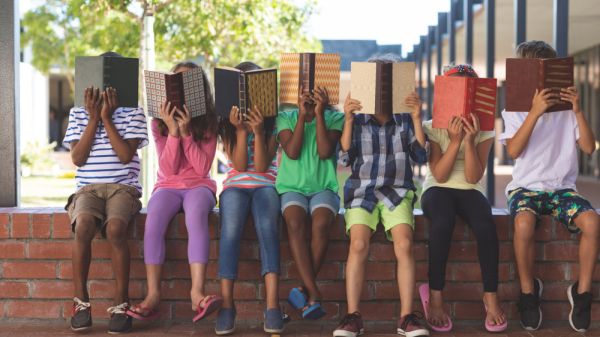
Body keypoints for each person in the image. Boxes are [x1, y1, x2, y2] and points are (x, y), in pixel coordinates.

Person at [500, 40, 599, 332]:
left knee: (592, 223)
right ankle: (529, 293)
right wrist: (534, 112)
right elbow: (515, 151)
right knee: (523, 225)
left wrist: (578, 111)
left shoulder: (567, 110)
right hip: (525, 188)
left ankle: (581, 295)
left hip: (562, 189)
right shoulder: (514, 108)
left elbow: (590, 148)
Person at [333, 55, 430, 337]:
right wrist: (348, 119)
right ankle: (353, 316)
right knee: (359, 244)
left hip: (397, 191)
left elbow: (421, 155)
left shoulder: (404, 120)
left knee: (404, 243)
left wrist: (416, 118)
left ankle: (406, 317)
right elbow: (343, 156)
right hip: (362, 192)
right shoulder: (359, 119)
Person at [127, 62, 222, 323]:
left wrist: (187, 132)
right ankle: (153, 294)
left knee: (195, 217)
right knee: (153, 221)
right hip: (167, 186)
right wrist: (173, 132)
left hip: (199, 186)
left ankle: (196, 293)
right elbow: (168, 167)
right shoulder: (158, 122)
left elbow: (202, 168)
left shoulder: (210, 120)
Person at [63, 51, 148, 334]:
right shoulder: (78, 112)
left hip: (123, 188)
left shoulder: (134, 112)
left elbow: (125, 155)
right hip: (88, 188)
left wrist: (107, 118)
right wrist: (92, 119)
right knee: (84, 226)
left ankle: (121, 303)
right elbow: (78, 158)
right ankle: (81, 303)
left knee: (115, 229)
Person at [419, 64, 507, 333]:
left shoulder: (485, 129)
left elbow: (472, 177)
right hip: (437, 187)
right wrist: (454, 141)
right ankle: (435, 296)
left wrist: (469, 140)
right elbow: (440, 174)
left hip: (470, 189)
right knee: (442, 222)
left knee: (485, 225)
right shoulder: (430, 126)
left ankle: (490, 297)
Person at [214, 62, 284, 335]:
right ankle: (228, 306)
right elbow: (241, 166)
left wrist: (257, 130)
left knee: (268, 229)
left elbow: (264, 166)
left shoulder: (272, 122)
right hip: (235, 186)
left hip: (266, 184)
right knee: (229, 231)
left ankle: (272, 306)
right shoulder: (227, 124)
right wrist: (241, 131)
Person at [276, 73, 344, 320]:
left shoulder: (336, 117)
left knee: (322, 223)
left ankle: (303, 290)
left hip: (323, 187)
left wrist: (318, 115)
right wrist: (303, 118)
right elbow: (292, 152)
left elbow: (325, 151)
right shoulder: (285, 117)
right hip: (292, 186)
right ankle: (313, 292)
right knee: (294, 222)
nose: (310, 94)